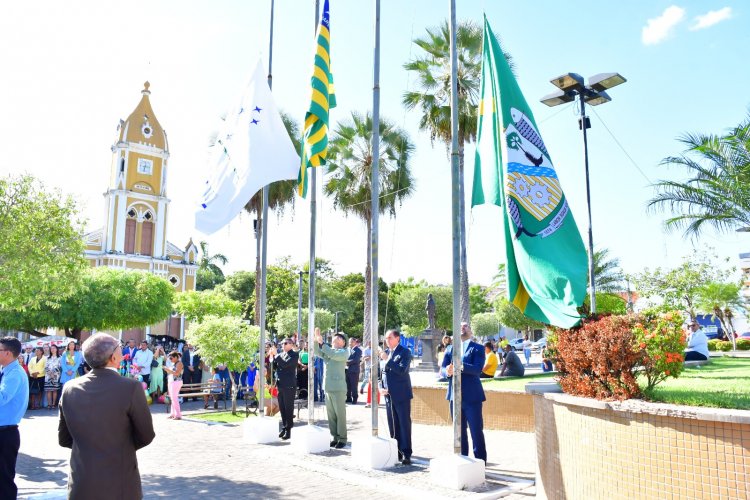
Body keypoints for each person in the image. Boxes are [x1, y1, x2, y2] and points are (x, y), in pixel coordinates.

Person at [58, 333, 155, 499]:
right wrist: (119, 447)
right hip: (119, 483)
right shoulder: (130, 387)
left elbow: (64, 439)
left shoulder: (69, 388)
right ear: (113, 357)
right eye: (119, 348)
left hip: (81, 482)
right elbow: (146, 434)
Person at [441, 322, 487, 462]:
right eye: (459, 325)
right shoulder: (450, 349)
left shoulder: (478, 348)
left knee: (476, 431)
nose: (462, 327)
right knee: (459, 432)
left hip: (472, 397)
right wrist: (447, 371)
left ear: (471, 331)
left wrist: (460, 366)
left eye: (466, 326)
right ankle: (463, 459)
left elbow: (477, 369)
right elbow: (442, 369)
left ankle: (480, 462)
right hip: (454, 396)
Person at [0, 337, 30, 499]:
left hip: (5, 432)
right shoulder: (6, 371)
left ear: (7, 353)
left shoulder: (15, 374)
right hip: (4, 431)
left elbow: (3, 397)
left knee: (4, 479)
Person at [380, 329, 413, 465]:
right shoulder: (387, 353)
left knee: (404, 424)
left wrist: (387, 360)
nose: (387, 341)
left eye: (390, 338)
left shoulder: (405, 352)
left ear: (397, 338)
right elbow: (382, 373)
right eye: (386, 338)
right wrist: (381, 387)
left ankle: (406, 453)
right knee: (392, 424)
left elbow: (401, 370)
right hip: (388, 395)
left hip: (401, 394)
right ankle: (396, 451)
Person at [314, 328, 349, 448]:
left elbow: (332, 354)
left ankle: (343, 438)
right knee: (331, 415)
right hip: (328, 387)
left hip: (338, 388)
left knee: (340, 415)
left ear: (344, 343)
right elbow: (316, 351)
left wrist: (322, 343)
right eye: (336, 336)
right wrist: (316, 339)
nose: (336, 338)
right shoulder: (329, 350)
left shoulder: (344, 352)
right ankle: (334, 437)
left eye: (340, 338)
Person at [270, 338, 299, 440]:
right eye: (282, 343)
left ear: (291, 344)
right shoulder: (281, 355)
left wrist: (276, 354)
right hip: (280, 384)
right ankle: (284, 426)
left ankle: (289, 429)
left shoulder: (294, 355)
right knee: (282, 408)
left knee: (288, 408)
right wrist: (272, 356)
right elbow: (276, 367)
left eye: (285, 343)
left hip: (289, 385)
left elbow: (285, 364)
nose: (283, 345)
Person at [163, 351, 184, 420]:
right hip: (172, 381)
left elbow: (177, 373)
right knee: (172, 398)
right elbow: (172, 373)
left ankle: (178, 415)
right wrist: (168, 370)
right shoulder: (174, 363)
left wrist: (168, 370)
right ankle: (173, 414)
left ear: (176, 357)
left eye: (171, 358)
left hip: (176, 382)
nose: (170, 359)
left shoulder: (179, 363)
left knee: (174, 398)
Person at [44, 343, 62, 409]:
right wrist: (49, 372)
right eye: (51, 348)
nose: (53, 350)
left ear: (57, 349)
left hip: (56, 376)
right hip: (48, 376)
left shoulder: (60, 358)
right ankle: (49, 404)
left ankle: (54, 404)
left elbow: (60, 367)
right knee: (48, 390)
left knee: (54, 390)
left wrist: (53, 373)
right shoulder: (47, 358)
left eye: (54, 348)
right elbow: (45, 367)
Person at [345, 337, 362, 404]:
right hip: (347, 370)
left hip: (354, 371)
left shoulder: (358, 350)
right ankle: (348, 398)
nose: (350, 343)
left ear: (355, 342)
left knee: (354, 385)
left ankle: (355, 398)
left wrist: (347, 362)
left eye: (351, 342)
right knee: (348, 385)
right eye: (349, 342)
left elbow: (356, 360)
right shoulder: (348, 349)